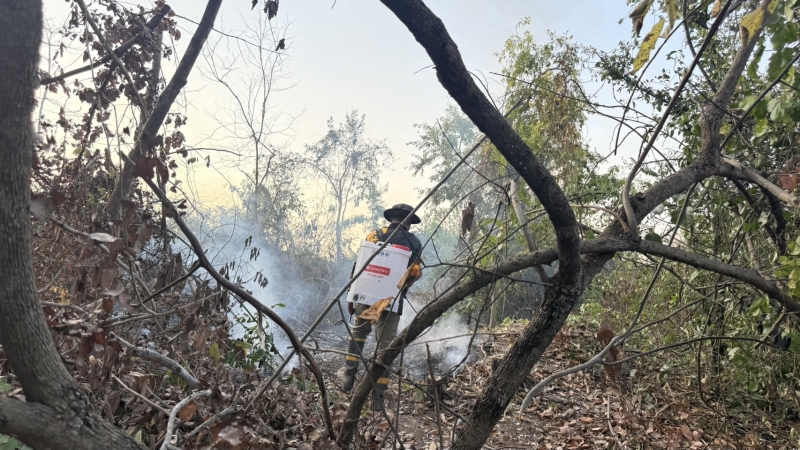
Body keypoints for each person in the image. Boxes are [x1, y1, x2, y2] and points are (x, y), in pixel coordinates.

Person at [339, 203, 423, 411]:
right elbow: (414, 273)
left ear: (391, 218)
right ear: (409, 222)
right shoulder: (413, 242)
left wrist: (351, 295)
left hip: (365, 295)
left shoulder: (373, 235)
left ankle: (348, 378)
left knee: (358, 334)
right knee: (386, 347)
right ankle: (378, 397)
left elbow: (359, 267)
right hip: (392, 300)